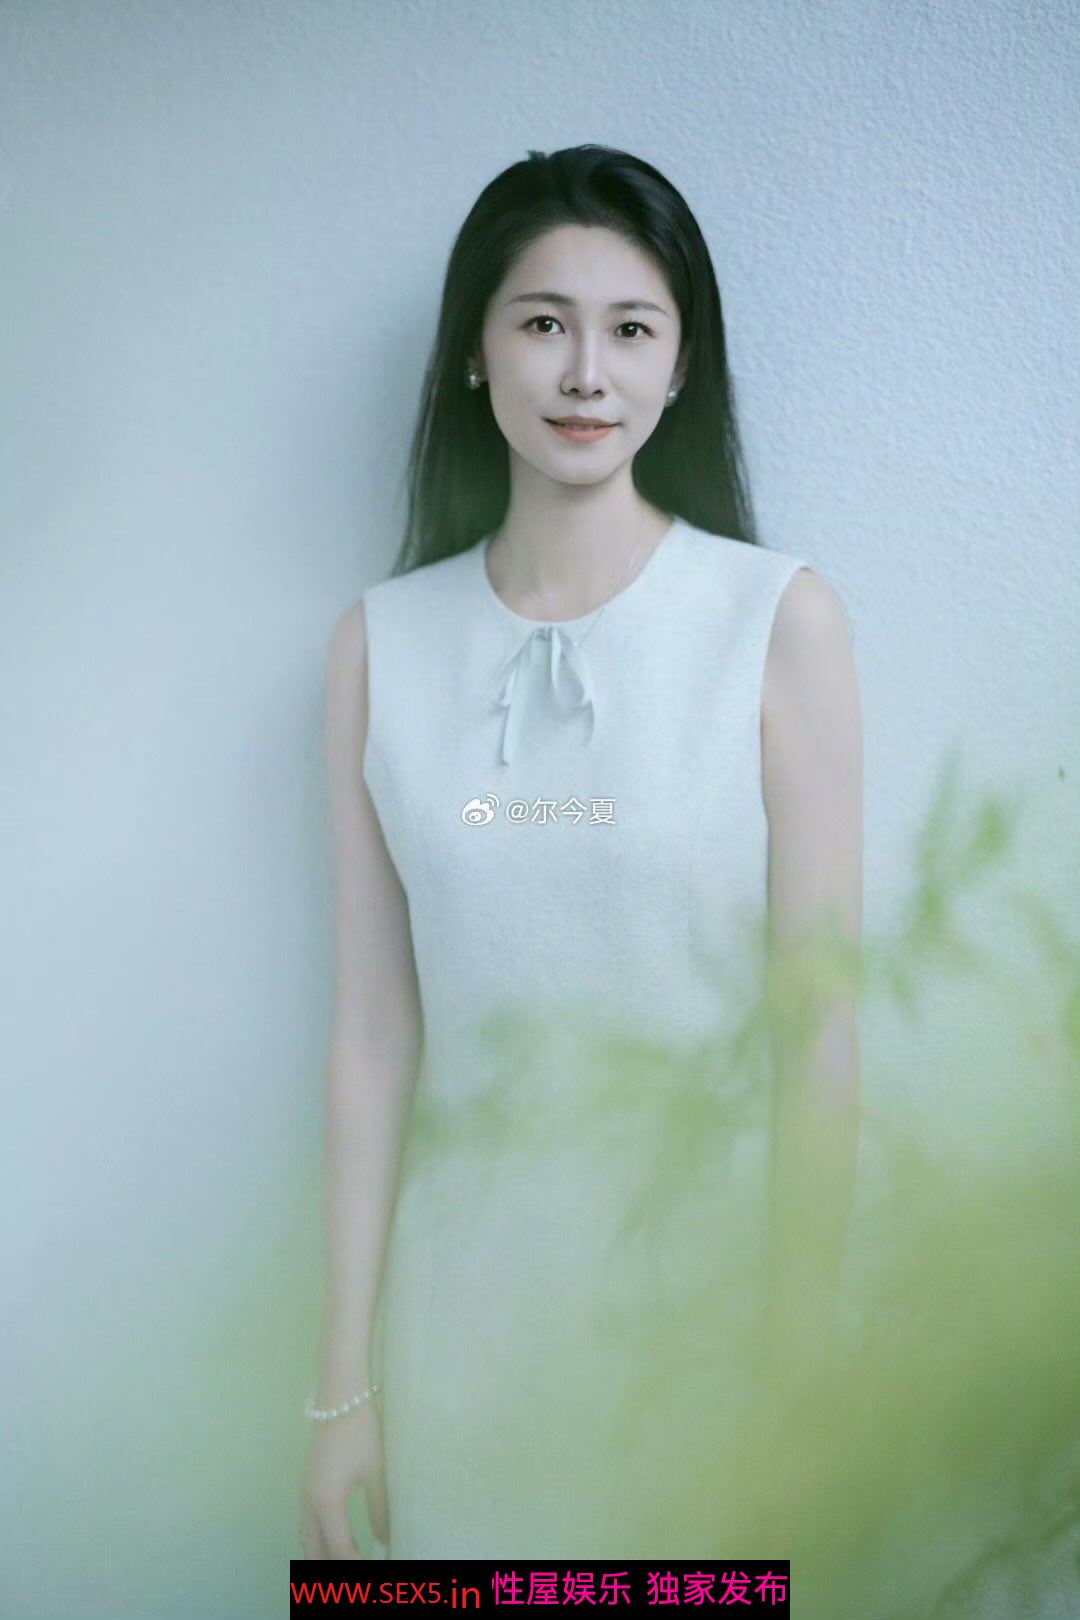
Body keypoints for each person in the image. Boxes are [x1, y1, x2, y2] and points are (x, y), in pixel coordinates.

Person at [299, 143, 862, 1561]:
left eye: (633, 329)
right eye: (543, 323)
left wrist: (803, 1377)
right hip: (457, 1343)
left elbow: (819, 1024)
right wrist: (342, 1392)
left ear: (681, 367)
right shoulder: (377, 647)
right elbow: (373, 1036)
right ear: (474, 353)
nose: (586, 374)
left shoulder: (777, 621)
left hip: (708, 1341)